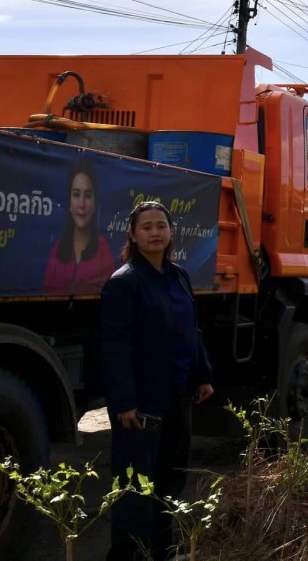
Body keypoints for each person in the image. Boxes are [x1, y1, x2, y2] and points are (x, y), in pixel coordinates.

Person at [100, 201, 214, 561]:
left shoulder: (178, 276)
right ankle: (128, 556)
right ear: (132, 235)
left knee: (170, 481)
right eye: (146, 226)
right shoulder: (124, 282)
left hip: (178, 397)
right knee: (134, 488)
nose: (154, 232)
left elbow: (190, 331)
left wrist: (203, 374)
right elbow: (114, 347)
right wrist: (123, 403)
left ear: (170, 232)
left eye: (160, 226)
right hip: (142, 405)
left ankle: (163, 552)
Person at [42, 158, 116, 294]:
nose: (81, 205)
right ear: (69, 203)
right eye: (76, 194)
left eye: (88, 195)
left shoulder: (103, 249)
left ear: (95, 204)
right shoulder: (57, 249)